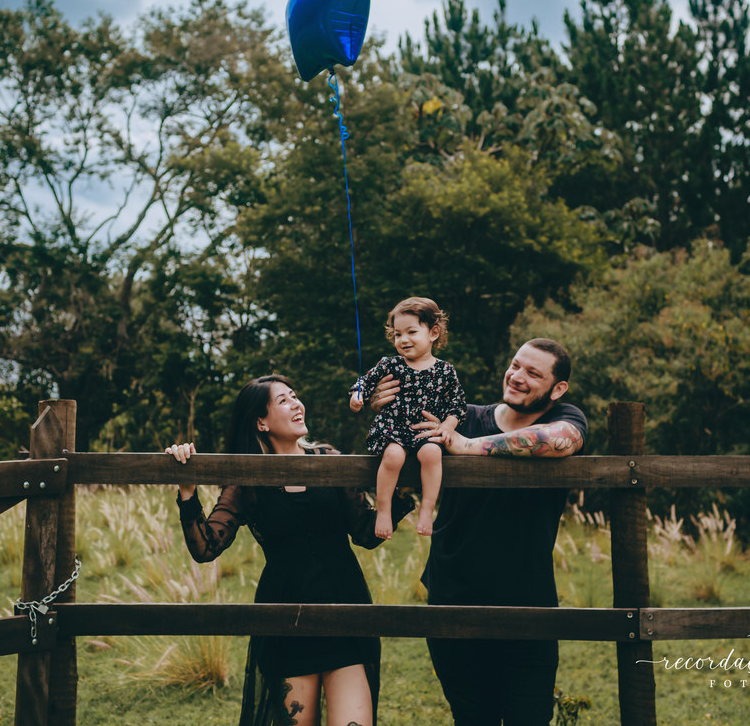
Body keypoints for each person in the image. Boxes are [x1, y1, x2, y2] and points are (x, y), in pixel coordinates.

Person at [166, 375, 412, 726]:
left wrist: (402, 492)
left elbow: (364, 532)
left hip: (345, 609)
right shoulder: (248, 477)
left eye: (296, 396)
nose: (297, 404)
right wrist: (187, 490)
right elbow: (206, 547)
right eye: (284, 400)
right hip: (286, 619)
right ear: (261, 422)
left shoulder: (328, 459)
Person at [370, 338, 588, 726]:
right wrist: (383, 406)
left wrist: (469, 447)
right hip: (453, 597)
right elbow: (399, 438)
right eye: (516, 365)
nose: (517, 377)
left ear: (557, 389)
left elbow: (563, 440)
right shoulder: (462, 416)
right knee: (472, 717)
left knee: (530, 717)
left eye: (533, 373)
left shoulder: (565, 417)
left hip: (529, 604)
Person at [349, 297, 466, 538]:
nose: (403, 339)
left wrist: (448, 425)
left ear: (433, 333)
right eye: (397, 334)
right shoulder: (389, 364)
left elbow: (457, 405)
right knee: (392, 456)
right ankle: (383, 510)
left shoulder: (445, 370)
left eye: (411, 332)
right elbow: (364, 382)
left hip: (425, 432)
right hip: (394, 429)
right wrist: (357, 396)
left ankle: (426, 509)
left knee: (432, 453)